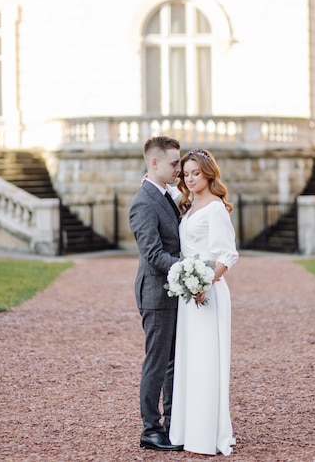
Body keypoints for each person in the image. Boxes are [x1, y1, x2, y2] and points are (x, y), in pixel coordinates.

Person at [169, 148, 239, 456]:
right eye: (186, 174)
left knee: (207, 362)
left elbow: (226, 256)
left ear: (208, 173)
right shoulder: (189, 206)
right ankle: (187, 431)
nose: (190, 178)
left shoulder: (216, 209)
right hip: (189, 294)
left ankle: (206, 434)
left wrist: (205, 283)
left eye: (196, 173)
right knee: (190, 361)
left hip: (208, 293)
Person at [129, 136, 184, 452]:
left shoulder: (163, 195)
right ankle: (151, 430)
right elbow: (152, 253)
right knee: (157, 362)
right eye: (174, 163)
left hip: (172, 292)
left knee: (172, 362)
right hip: (156, 294)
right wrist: (187, 269)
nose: (178, 168)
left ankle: (172, 423)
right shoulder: (143, 202)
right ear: (154, 163)